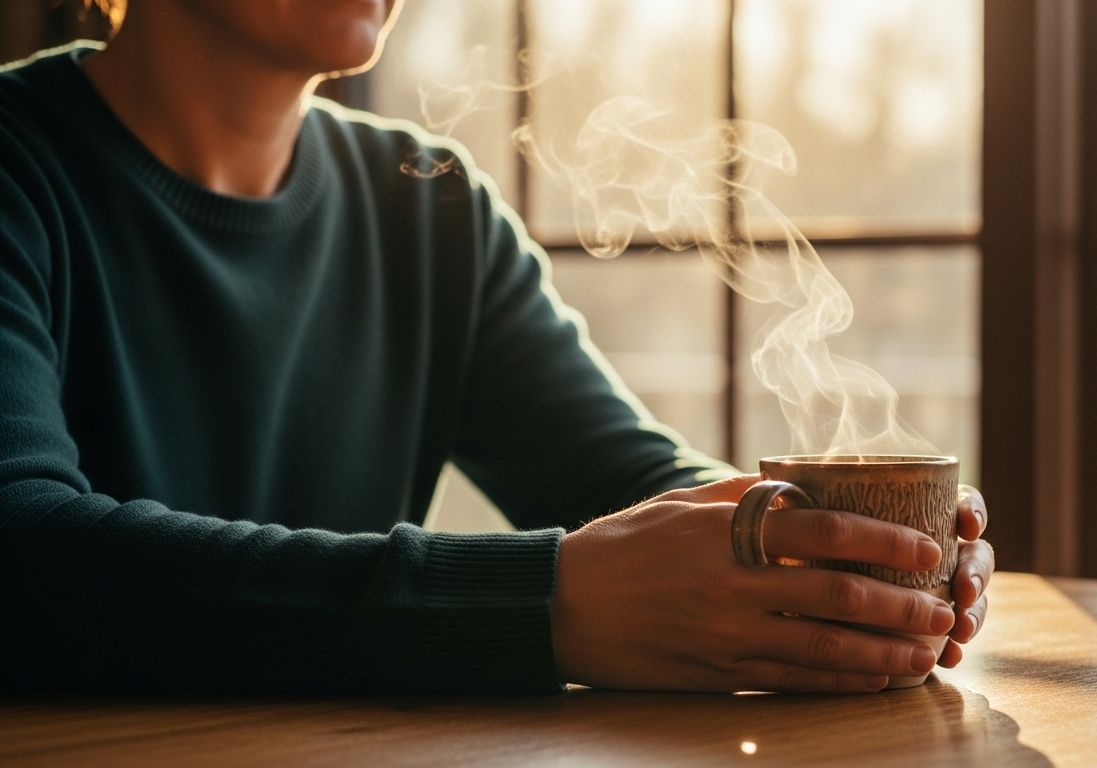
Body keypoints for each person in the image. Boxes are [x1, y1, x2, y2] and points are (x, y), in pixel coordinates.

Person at [0, 0, 995, 693]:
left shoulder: (425, 206)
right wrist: (545, 603)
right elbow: (22, 553)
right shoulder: (20, 170)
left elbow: (625, 476)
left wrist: (809, 552)